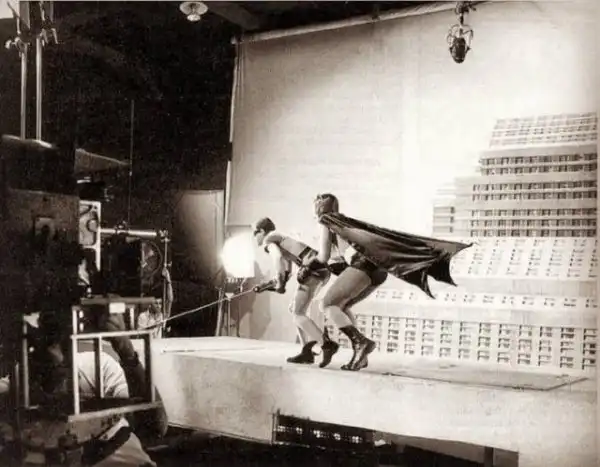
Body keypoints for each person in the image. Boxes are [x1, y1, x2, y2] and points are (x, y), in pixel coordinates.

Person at [308, 193, 472, 372]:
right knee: (342, 306)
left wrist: (307, 267)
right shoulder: (342, 221)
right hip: (377, 269)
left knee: (327, 305)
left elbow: (323, 256)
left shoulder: (325, 220)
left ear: (319, 207)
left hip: (362, 265)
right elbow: (343, 255)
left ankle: (361, 343)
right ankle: (360, 354)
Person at [252, 217, 339, 367]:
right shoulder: (281, 239)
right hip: (320, 269)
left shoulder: (268, 239)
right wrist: (274, 283)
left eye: (254, 234)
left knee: (298, 313)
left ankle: (327, 345)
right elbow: (287, 270)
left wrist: (279, 282)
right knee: (295, 309)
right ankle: (306, 351)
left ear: (261, 231)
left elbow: (278, 258)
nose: (254, 238)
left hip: (313, 270)